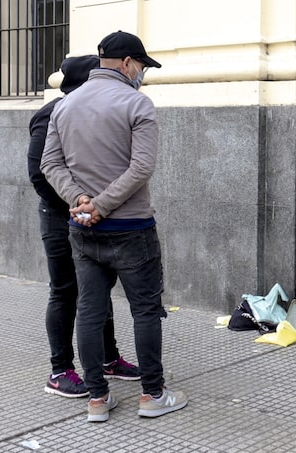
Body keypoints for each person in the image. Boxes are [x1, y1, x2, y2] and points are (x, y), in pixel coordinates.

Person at [41, 31, 187, 423]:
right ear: (126, 64)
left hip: (84, 229)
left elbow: (49, 165)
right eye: (141, 66)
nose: (142, 73)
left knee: (89, 311)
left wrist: (80, 202)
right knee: (145, 311)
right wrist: (101, 206)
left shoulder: (65, 105)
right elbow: (141, 167)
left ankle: (97, 400)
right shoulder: (137, 103)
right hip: (131, 228)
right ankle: (153, 394)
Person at [28, 55, 140, 398]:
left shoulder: (97, 109)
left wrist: (96, 208)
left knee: (96, 289)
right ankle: (59, 370)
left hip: (95, 215)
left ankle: (107, 358)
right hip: (62, 217)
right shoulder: (52, 113)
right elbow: (40, 173)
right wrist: (79, 206)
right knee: (64, 290)